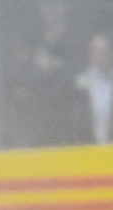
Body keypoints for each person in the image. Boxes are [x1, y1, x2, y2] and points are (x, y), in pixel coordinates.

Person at [14, 2, 77, 146]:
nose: (49, 10)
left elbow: (80, 71)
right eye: (45, 5)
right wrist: (39, 70)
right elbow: (22, 77)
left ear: (65, 7)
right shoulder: (33, 39)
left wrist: (54, 66)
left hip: (69, 113)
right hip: (39, 117)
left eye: (55, 5)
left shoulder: (75, 36)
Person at [74, 34, 113, 145]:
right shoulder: (83, 83)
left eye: (102, 51)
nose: (97, 55)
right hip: (90, 148)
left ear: (112, 54)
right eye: (94, 51)